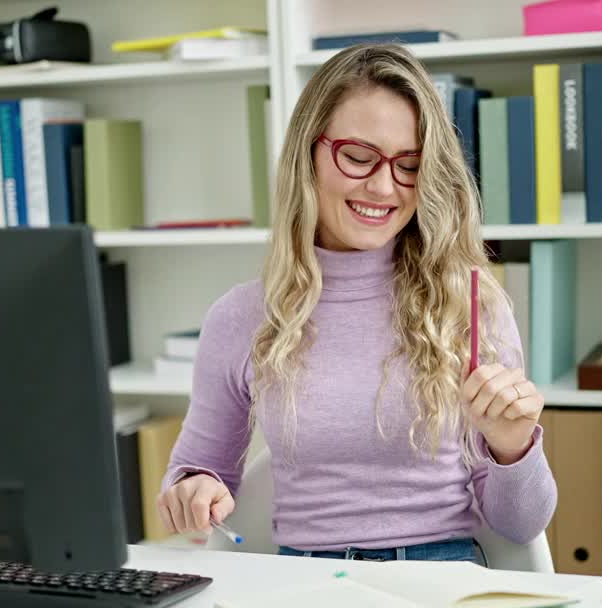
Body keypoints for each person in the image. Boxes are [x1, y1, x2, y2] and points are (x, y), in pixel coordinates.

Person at [156, 44, 557, 564]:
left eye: (408, 165)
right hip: (305, 582)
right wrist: (194, 488)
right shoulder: (242, 317)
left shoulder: (470, 303)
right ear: (309, 153)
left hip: (444, 578)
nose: (384, 186)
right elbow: (195, 467)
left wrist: (513, 448)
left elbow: (522, 525)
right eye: (359, 156)